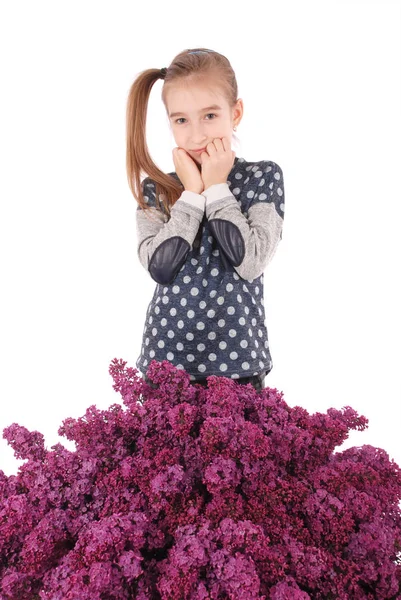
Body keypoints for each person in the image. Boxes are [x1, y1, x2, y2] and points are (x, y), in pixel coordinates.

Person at [126, 48, 285, 393]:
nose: (196, 135)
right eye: (181, 120)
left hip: (239, 361)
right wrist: (192, 194)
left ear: (235, 112)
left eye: (210, 116)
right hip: (166, 358)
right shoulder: (156, 189)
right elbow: (160, 267)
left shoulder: (262, 177)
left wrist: (216, 187)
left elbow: (251, 261)